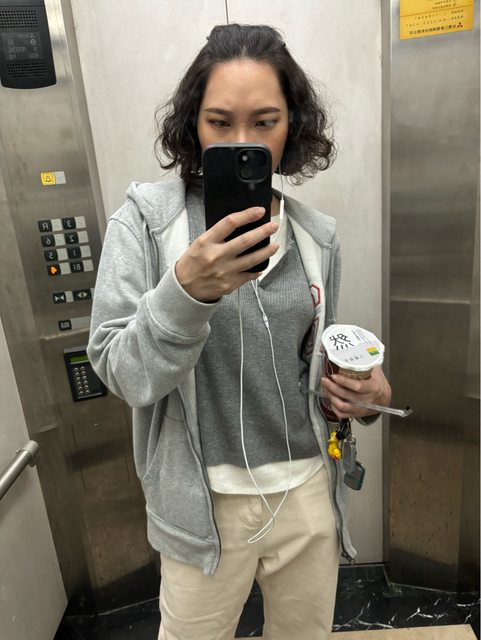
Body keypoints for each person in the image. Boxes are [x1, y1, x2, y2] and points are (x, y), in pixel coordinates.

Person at [87, 23, 391, 640]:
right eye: (220, 122)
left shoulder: (316, 236)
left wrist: (364, 395)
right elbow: (121, 372)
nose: (242, 142)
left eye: (265, 122)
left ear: (292, 126)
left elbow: (317, 363)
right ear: (193, 125)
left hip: (307, 491)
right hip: (203, 504)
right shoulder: (145, 224)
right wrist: (186, 292)